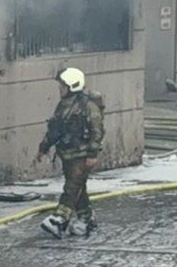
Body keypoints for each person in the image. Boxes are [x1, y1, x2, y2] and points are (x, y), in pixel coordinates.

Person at [37, 67, 105, 239]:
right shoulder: (62, 106)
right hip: (67, 155)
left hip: (81, 157)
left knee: (71, 188)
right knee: (79, 189)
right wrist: (43, 148)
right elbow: (54, 131)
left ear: (72, 86)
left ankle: (59, 220)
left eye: (63, 86)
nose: (60, 89)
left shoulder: (88, 106)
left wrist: (92, 154)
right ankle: (86, 218)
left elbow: (97, 131)